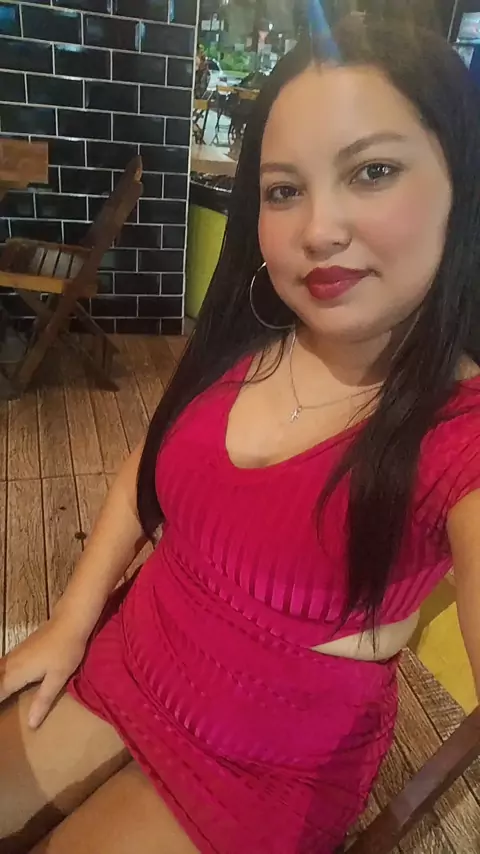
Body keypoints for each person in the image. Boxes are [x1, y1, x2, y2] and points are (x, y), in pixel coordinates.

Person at [1, 16, 480, 854]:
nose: (318, 230)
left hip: (269, 762)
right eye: (283, 189)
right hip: (133, 653)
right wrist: (71, 621)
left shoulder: (460, 435)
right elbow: (146, 472)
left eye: (372, 171)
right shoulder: (248, 337)